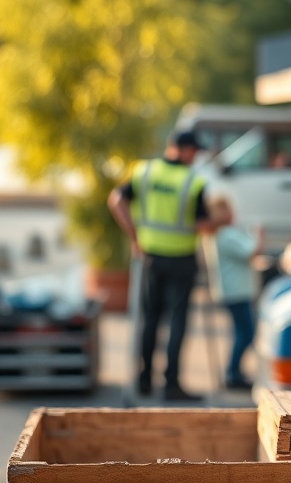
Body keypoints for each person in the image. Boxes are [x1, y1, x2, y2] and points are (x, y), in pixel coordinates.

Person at [107, 129, 225, 402]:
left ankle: (144, 380)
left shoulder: (145, 172)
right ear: (182, 149)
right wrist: (222, 220)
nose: (195, 157)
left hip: (151, 256)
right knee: (177, 320)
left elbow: (116, 201)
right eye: (193, 151)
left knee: (150, 318)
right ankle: (171, 384)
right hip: (182, 258)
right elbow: (202, 224)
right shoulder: (192, 181)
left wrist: (134, 237)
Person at [201, 193, 263, 390]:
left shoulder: (217, 235)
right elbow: (251, 250)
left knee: (240, 332)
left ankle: (234, 371)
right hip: (237, 291)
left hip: (231, 291)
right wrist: (258, 234)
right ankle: (233, 373)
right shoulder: (225, 234)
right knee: (246, 333)